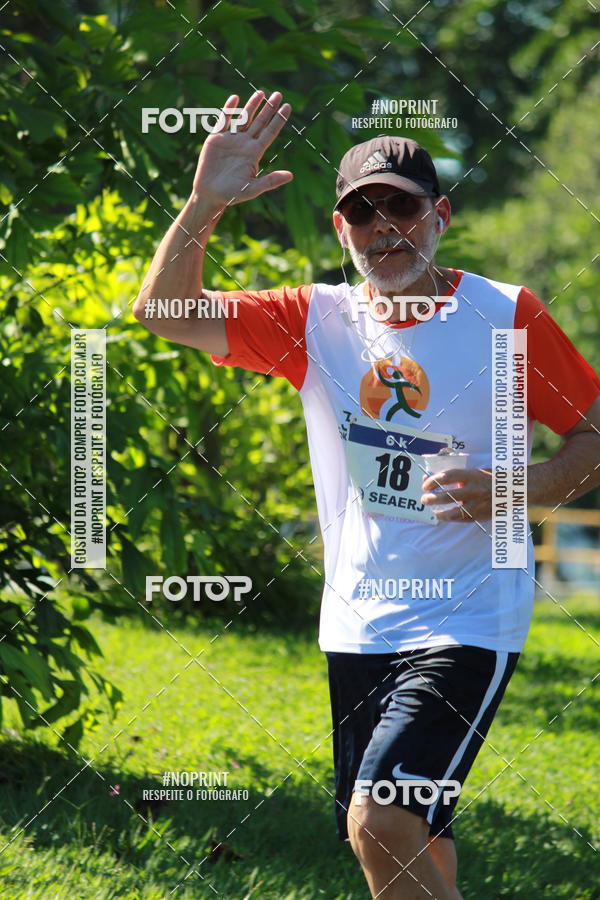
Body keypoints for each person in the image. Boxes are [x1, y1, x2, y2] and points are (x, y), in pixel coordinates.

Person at [132, 91, 600, 899]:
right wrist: (205, 203)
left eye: (402, 206)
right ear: (340, 230)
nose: (384, 226)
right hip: (357, 620)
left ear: (440, 214)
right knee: (414, 838)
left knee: (380, 819)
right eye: (362, 211)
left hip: (470, 616)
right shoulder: (315, 320)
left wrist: (511, 490)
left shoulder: (505, 316)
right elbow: (166, 313)